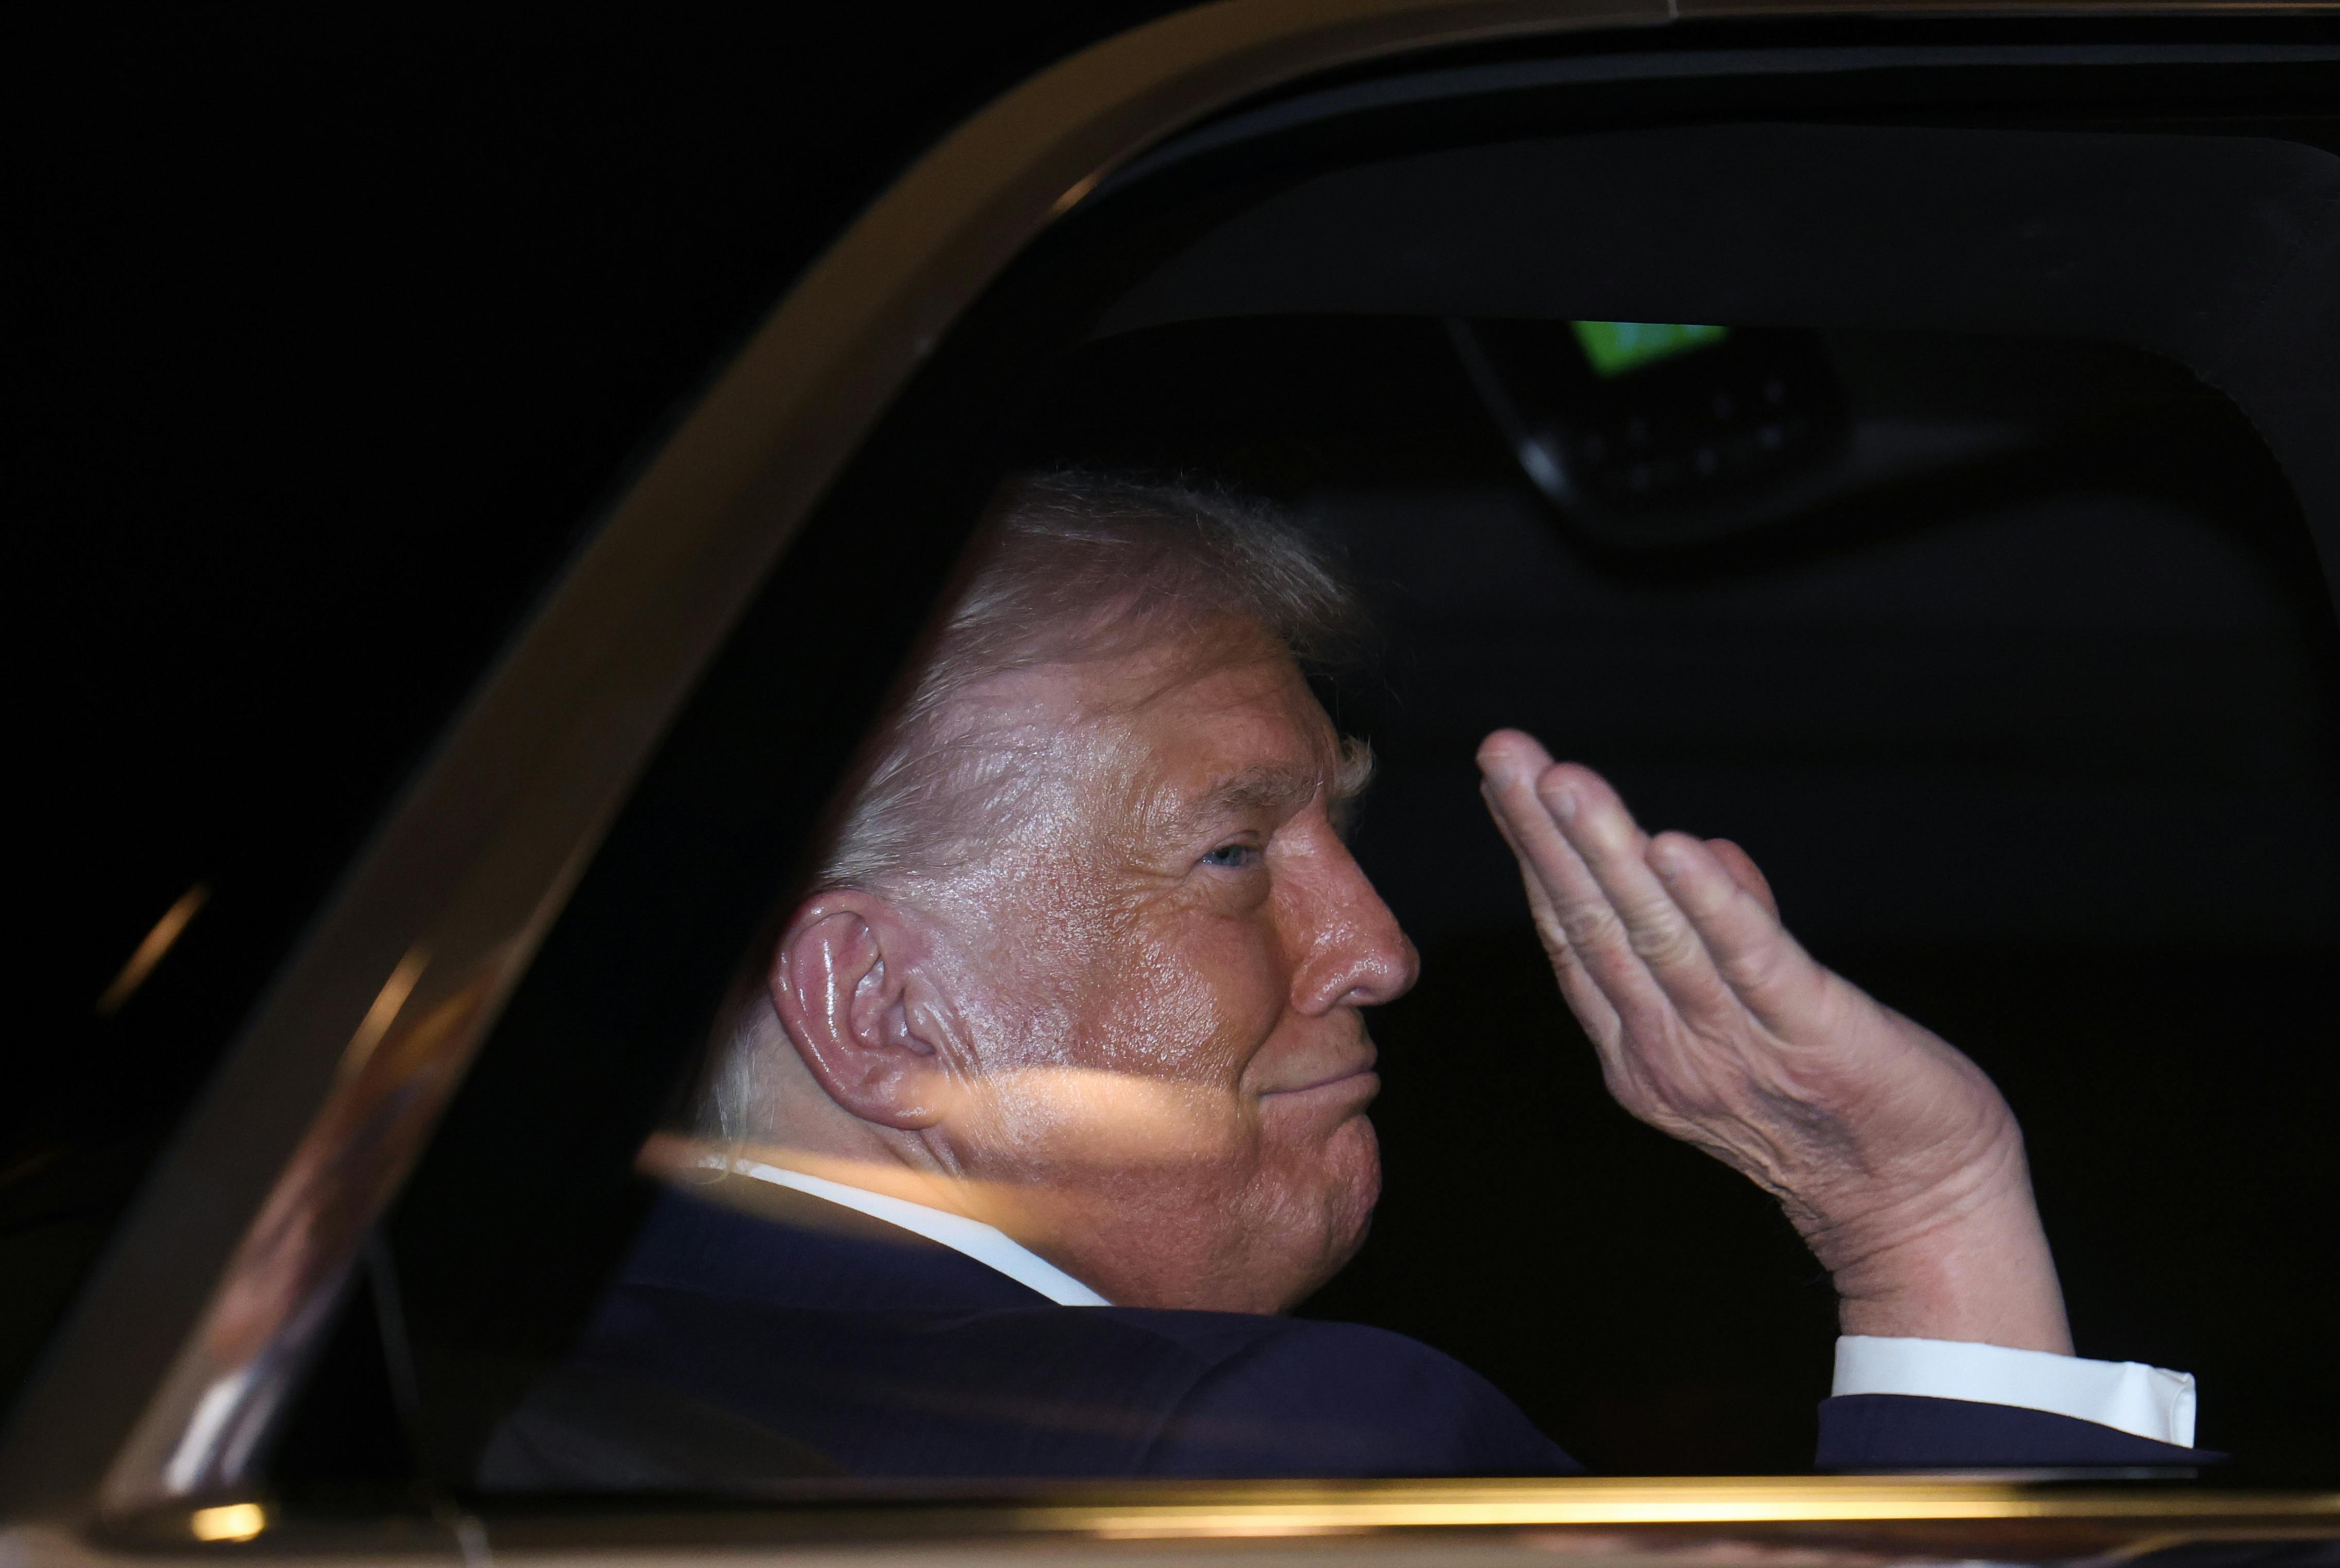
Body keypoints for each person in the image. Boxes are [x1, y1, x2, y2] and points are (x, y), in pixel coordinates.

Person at [484, 474, 2205, 1485]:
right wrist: (1924, 1218)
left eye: (1338, 833)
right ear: (877, 1007)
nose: (1378, 947)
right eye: (1233, 851)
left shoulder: (487, 1402)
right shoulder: (1267, 1445)